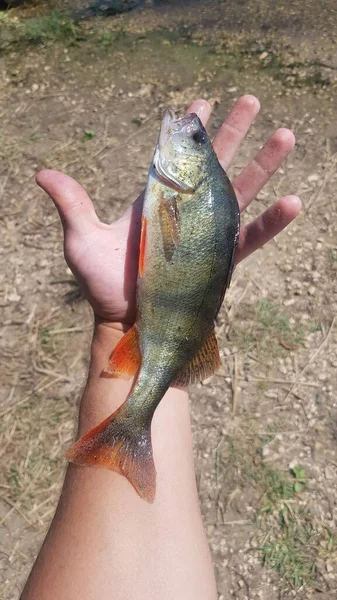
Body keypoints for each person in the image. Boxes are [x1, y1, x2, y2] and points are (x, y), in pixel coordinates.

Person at [20, 96, 301, 600]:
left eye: (195, 140)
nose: (186, 131)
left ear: (192, 169)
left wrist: (117, 323)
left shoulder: (183, 190)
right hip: (158, 319)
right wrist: (118, 321)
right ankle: (129, 432)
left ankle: (128, 433)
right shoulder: (179, 190)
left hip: (158, 323)